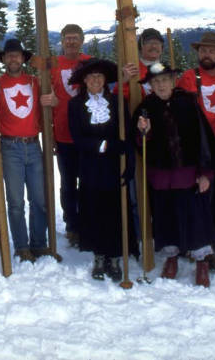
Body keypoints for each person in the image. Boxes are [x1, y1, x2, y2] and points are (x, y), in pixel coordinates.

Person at [133, 62, 215, 287]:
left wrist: (205, 173)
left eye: (164, 80)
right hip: (161, 176)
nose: (161, 85)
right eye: (156, 82)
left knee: (195, 218)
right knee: (166, 218)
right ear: (150, 85)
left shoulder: (189, 104)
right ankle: (171, 258)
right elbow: (140, 145)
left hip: (188, 173)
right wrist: (144, 133)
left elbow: (204, 139)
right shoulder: (144, 108)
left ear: (173, 81)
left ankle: (202, 261)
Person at [68, 58, 137, 282]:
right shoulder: (75, 105)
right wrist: (102, 145)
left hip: (113, 164)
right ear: (84, 81)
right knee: (94, 209)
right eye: (91, 77)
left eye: (99, 76)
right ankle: (99, 256)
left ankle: (115, 256)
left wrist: (129, 163)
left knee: (115, 209)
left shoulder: (118, 101)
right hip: (89, 165)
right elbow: (77, 138)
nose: (95, 80)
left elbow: (127, 135)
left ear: (105, 79)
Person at [176, 31, 215, 268]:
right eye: (203, 50)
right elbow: (188, 111)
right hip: (198, 142)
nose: (206, 54)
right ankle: (199, 237)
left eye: (211, 50)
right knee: (201, 191)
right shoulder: (190, 77)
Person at [0, 38, 48, 262]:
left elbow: (48, 105)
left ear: (23, 58)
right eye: (9, 55)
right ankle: (22, 246)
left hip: (34, 146)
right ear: (4, 59)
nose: (13, 58)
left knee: (40, 200)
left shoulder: (35, 82)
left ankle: (38, 243)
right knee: (15, 202)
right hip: (10, 147)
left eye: (17, 54)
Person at [38, 23, 89, 248]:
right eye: (67, 38)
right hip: (63, 135)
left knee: (88, 182)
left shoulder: (89, 63)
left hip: (88, 136)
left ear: (82, 41)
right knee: (68, 184)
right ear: (62, 41)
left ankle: (88, 222)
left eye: (75, 38)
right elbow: (45, 96)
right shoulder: (53, 65)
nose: (71, 42)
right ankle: (72, 225)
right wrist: (48, 134)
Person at [137, 28, 165, 96]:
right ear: (141, 47)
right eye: (149, 42)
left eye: (157, 43)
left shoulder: (167, 71)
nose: (154, 46)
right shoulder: (132, 71)